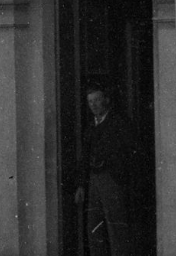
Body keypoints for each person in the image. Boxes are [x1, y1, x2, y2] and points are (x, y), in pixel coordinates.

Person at [74, 82, 139, 256]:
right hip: (94, 183)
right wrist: (81, 185)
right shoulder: (90, 128)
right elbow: (84, 159)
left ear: (106, 100)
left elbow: (131, 154)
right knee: (94, 230)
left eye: (97, 100)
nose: (93, 105)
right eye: (90, 102)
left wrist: (118, 176)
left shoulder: (119, 123)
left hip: (112, 181)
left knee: (116, 229)